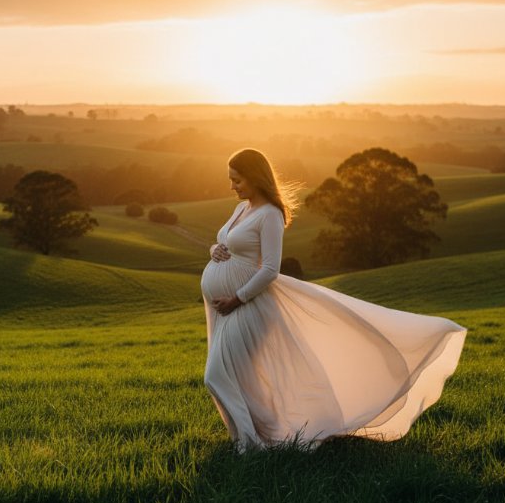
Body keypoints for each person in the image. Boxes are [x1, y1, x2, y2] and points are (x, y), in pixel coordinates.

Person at [200, 149, 467, 452]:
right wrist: (213, 250)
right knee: (242, 379)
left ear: (255, 178)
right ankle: (247, 441)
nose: (232, 187)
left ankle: (251, 446)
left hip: (249, 305)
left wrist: (238, 298)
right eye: (231, 180)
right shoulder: (242, 209)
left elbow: (271, 270)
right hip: (226, 307)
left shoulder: (270, 215)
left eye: (237, 180)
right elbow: (226, 240)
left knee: (216, 376)